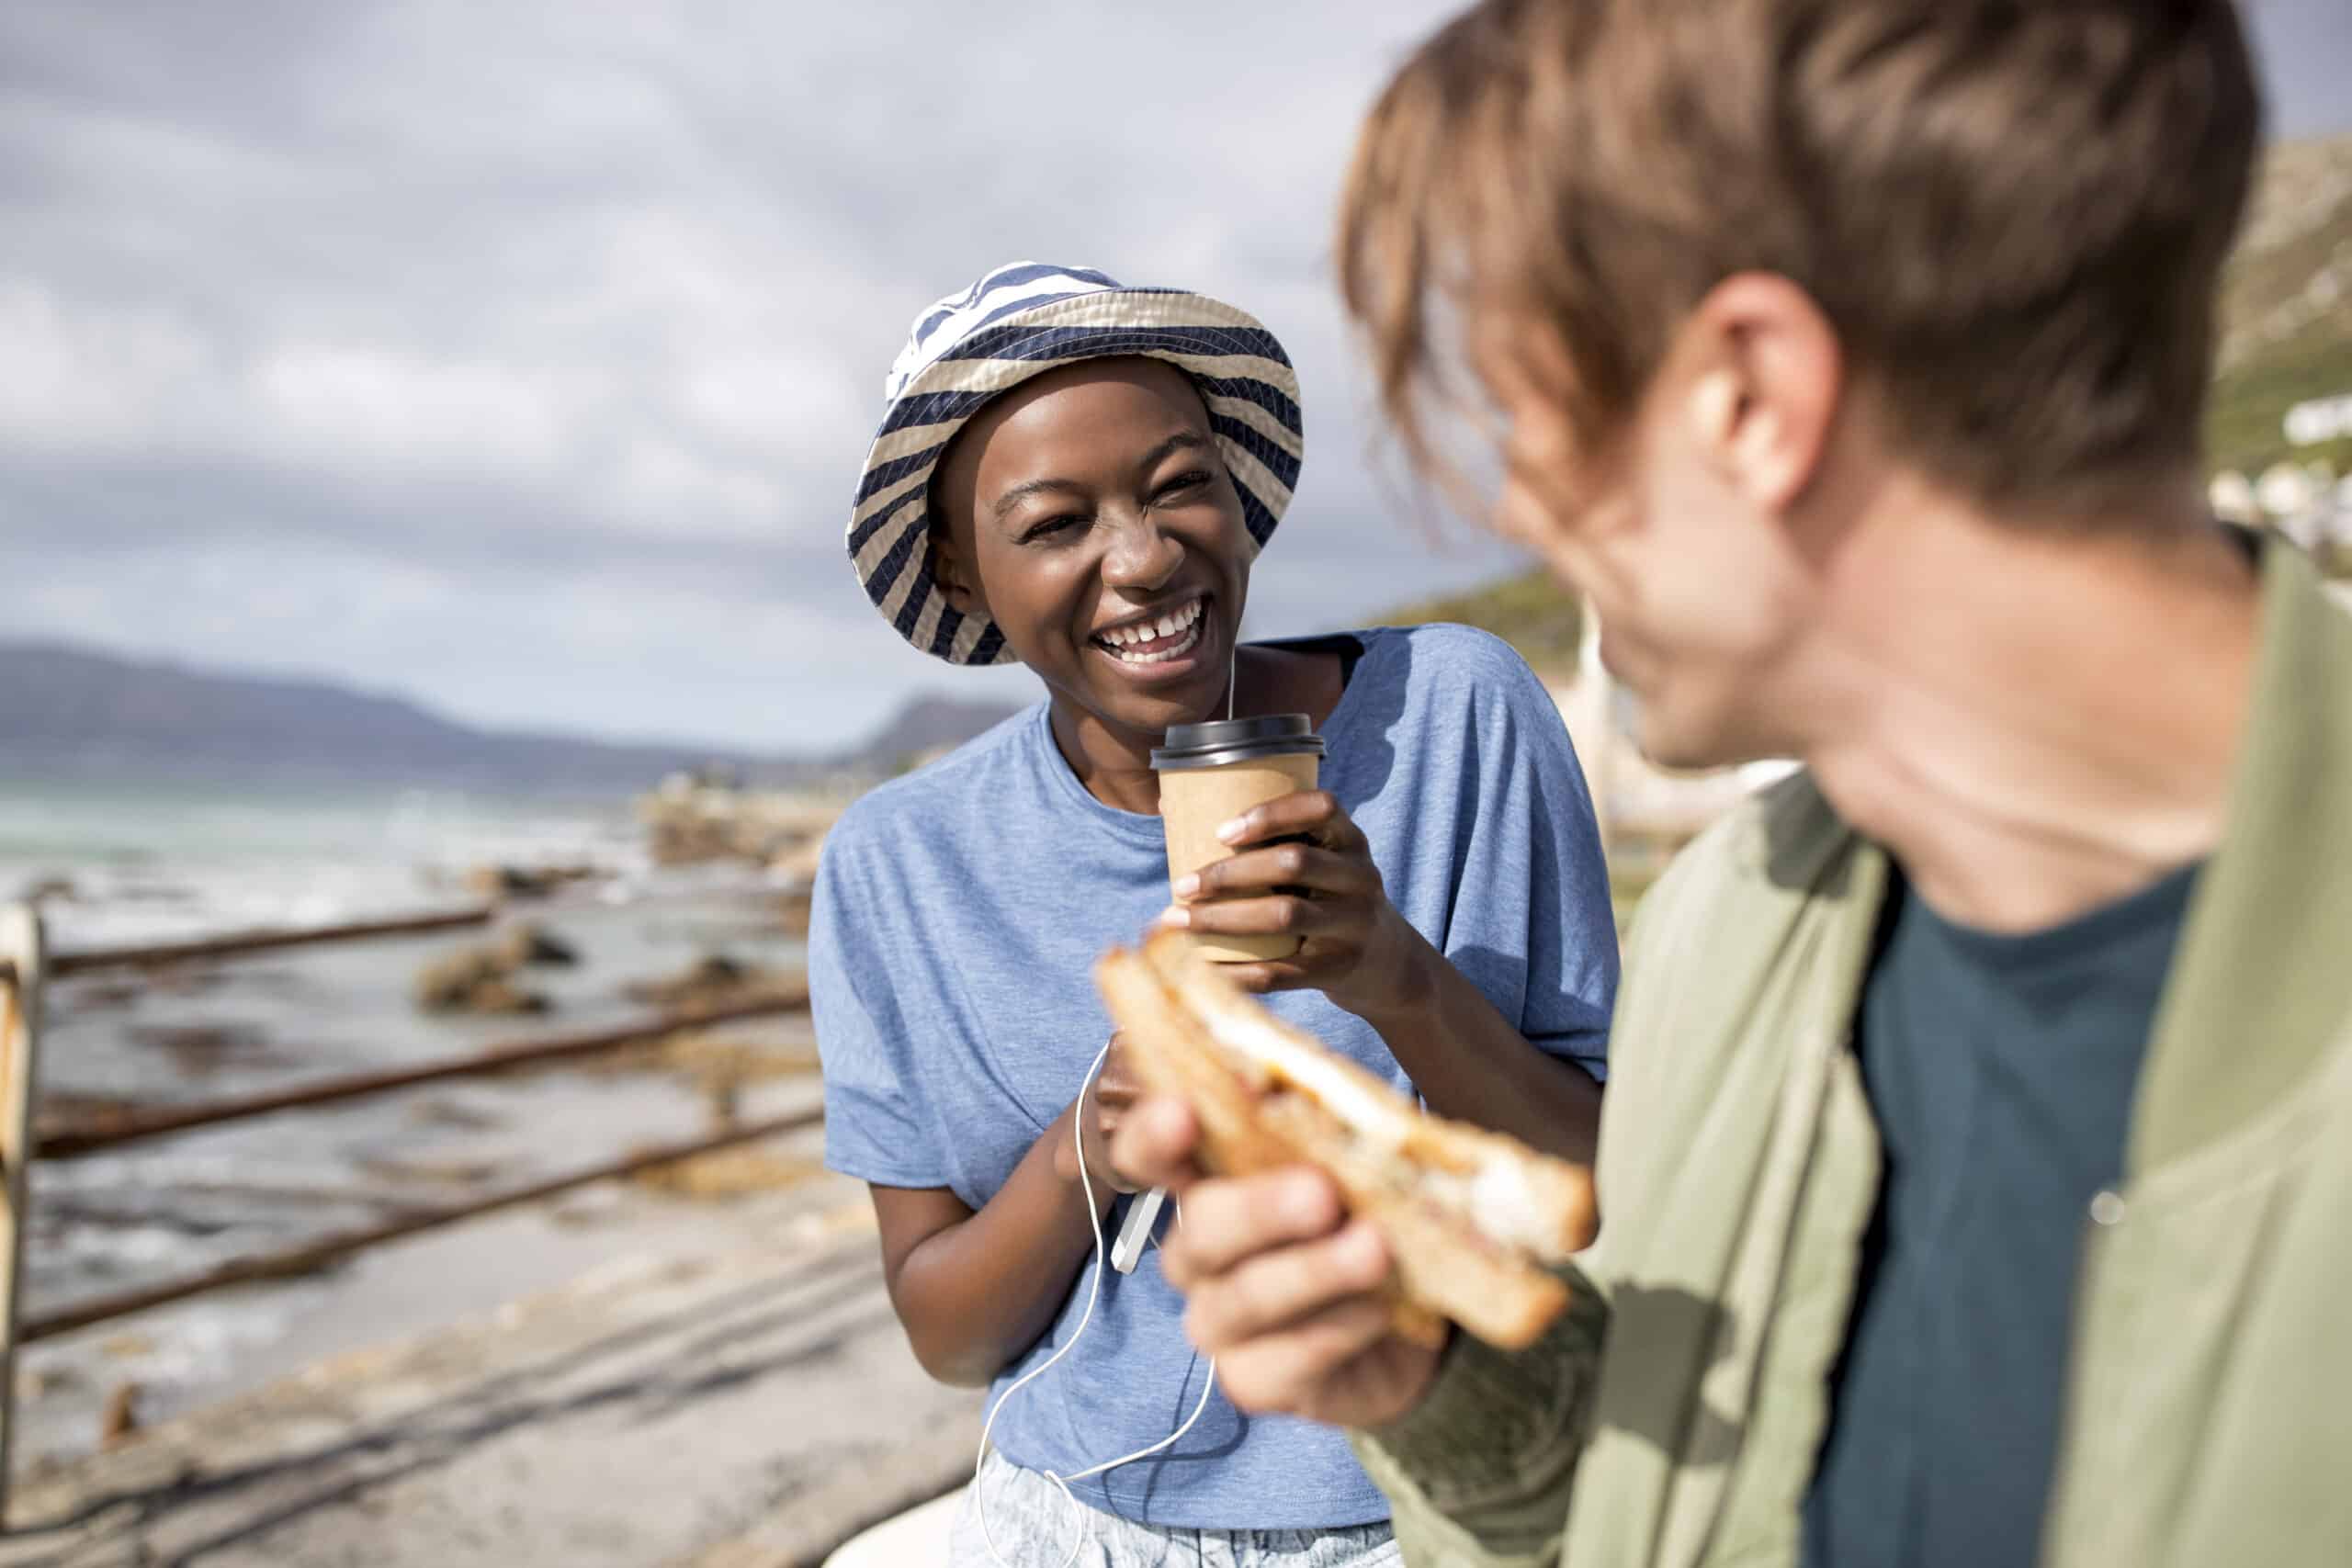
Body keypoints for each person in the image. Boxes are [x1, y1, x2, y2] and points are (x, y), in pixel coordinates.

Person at [1114, 2, 2352, 1564]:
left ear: (1752, 395)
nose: (1513, 498)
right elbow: (1675, 1491)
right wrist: (1433, 1383)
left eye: (1530, 406)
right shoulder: (1729, 926)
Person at [808, 262, 1619, 1565]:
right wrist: (1097, 1139)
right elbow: (948, 1337)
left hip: (1427, 1515)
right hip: (1061, 1519)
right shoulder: (898, 861)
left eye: (1180, 484)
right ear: (963, 574)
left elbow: (1600, 1188)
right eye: (1055, 523)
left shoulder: (1455, 713)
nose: (1140, 561)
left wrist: (1394, 976)